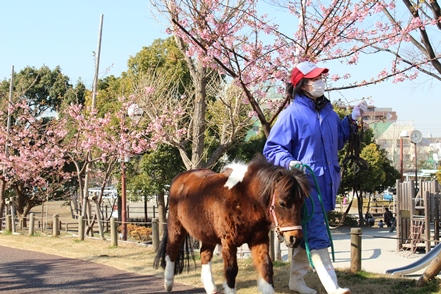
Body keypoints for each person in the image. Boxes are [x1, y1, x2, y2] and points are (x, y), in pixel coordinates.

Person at [263, 61, 367, 294]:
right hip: (305, 188)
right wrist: (289, 161)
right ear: (302, 84)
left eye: (321, 78)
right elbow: (272, 149)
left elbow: (337, 141)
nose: (319, 82)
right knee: (318, 234)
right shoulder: (292, 115)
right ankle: (333, 287)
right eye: (314, 79)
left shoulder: (329, 114)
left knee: (308, 234)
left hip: (327, 185)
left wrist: (350, 119)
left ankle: (296, 281)